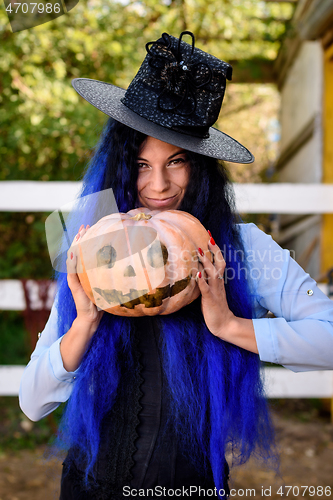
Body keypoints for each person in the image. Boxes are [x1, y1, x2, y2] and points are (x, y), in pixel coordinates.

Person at [19, 31, 333, 500]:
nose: (159, 185)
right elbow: (32, 402)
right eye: (142, 165)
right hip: (91, 487)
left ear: (201, 166)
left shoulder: (243, 248)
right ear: (122, 168)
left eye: (177, 161)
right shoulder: (93, 246)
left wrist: (229, 325)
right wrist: (84, 323)